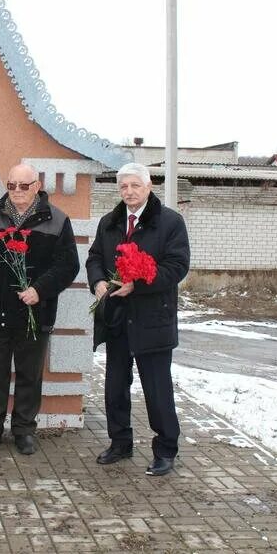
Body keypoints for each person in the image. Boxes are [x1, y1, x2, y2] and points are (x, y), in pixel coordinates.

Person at [0, 164, 79, 455]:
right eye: (11, 185)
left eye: (23, 186)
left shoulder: (57, 220)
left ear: (36, 186)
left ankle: (24, 431)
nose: (16, 191)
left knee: (29, 375)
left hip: (34, 315)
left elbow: (68, 265)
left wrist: (39, 289)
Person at [86, 162, 190, 476]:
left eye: (135, 186)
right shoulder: (110, 221)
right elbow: (94, 257)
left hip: (152, 320)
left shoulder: (169, 222)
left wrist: (139, 283)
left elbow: (177, 266)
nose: (129, 192)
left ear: (148, 187)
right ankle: (120, 442)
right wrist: (98, 283)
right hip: (117, 319)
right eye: (123, 187)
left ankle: (166, 450)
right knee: (115, 386)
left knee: (157, 389)